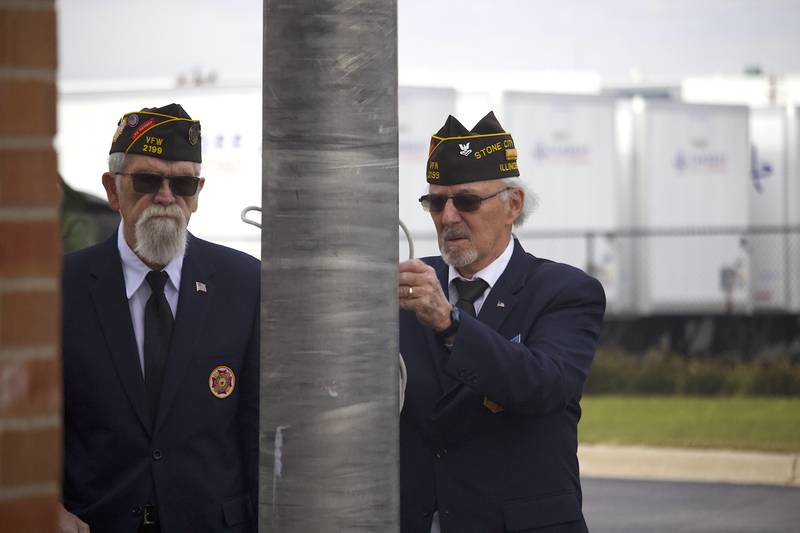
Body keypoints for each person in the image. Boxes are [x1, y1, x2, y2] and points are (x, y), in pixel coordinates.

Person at [398, 112, 605, 533]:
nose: (449, 217)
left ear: (513, 205)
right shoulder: (410, 288)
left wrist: (451, 323)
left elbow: (544, 386)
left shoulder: (562, 290)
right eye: (436, 203)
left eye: (467, 201)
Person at [60, 104, 259, 533]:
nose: (167, 197)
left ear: (198, 193)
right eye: (148, 181)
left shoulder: (245, 284)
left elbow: (257, 429)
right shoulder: (63, 288)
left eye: (183, 183)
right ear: (113, 190)